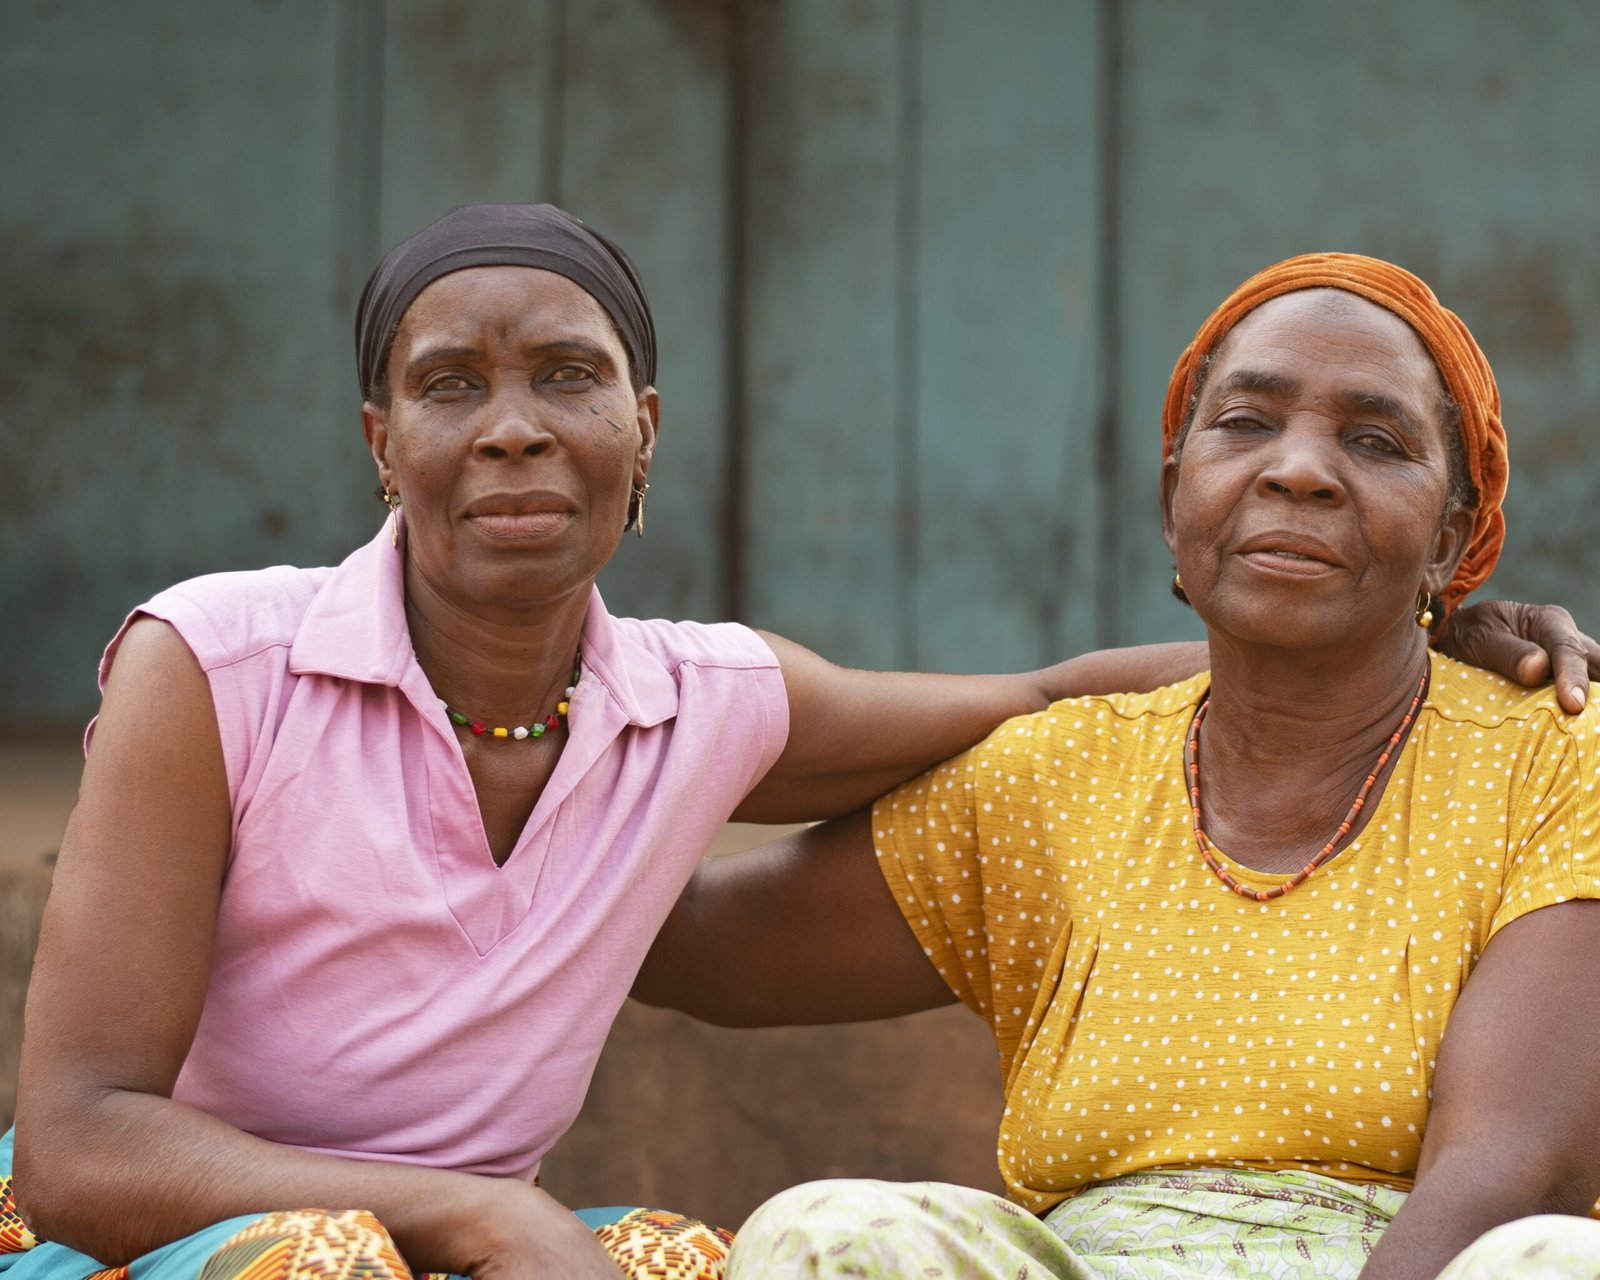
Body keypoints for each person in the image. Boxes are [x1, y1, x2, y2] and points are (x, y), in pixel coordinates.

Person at [1, 211, 1587, 1280]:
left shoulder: (700, 702)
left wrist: (1416, 642)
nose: (513, 427)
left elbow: (1037, 691)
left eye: (1374, 445)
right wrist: (478, 1200)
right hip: (200, 1230)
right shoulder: (219, 662)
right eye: (1247, 428)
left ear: (643, 432)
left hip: (1428, 1261)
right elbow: (78, 1145)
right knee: (802, 1239)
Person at [636, 254, 1600, 1279]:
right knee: (829, 1230)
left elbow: (1514, 1165)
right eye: (1245, 423)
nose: (1299, 470)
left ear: (1450, 540)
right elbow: (685, 941)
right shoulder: (1063, 771)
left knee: (1549, 1260)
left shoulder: (1553, 756)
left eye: (1374, 441)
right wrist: (530, 689)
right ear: (1173, 497)